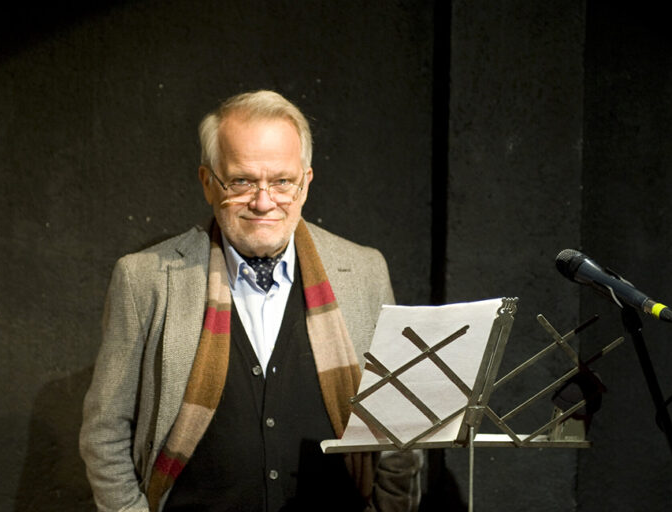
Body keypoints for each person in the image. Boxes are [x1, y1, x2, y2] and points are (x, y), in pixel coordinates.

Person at [80, 90, 420, 511]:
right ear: (208, 182)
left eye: (282, 182)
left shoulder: (366, 272)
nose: (263, 202)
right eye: (241, 181)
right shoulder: (144, 279)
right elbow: (105, 432)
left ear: (305, 184)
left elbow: (402, 427)